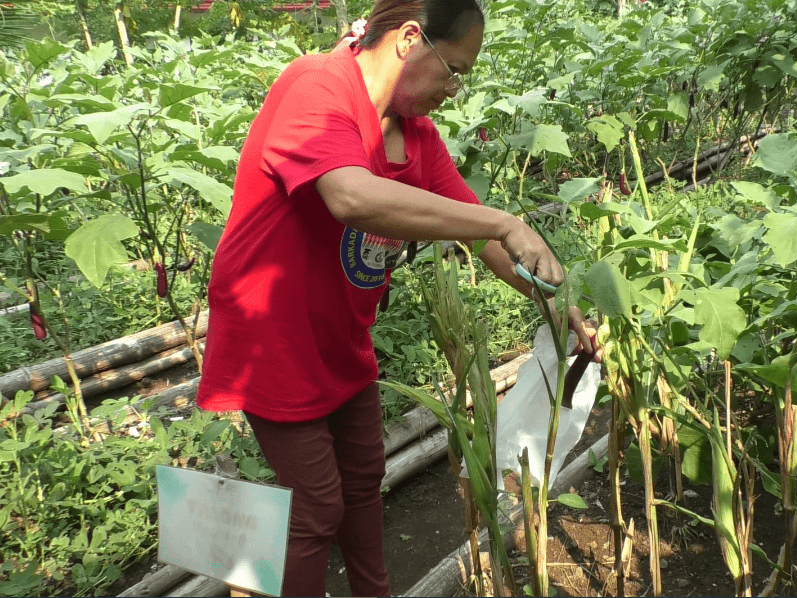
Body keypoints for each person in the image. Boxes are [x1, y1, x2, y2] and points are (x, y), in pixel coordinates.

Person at [196, 0, 599, 595]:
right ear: (410, 38)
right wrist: (504, 221)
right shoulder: (316, 85)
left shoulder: (415, 135)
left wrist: (557, 309)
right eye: (454, 70)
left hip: (339, 336)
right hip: (272, 338)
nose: (456, 89)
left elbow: (471, 226)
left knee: (364, 480)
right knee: (316, 507)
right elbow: (349, 195)